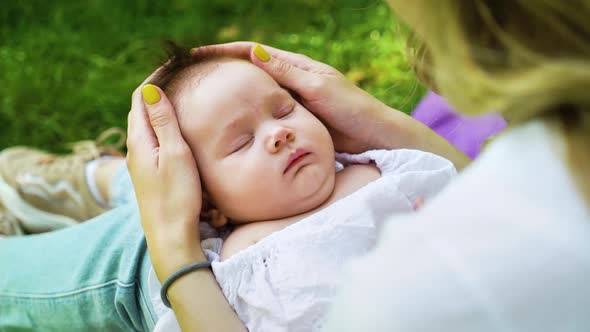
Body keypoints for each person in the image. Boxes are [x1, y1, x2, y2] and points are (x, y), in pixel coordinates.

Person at [131, 1, 589, 331]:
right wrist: (379, 120)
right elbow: (481, 192)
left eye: (285, 110)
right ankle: (99, 178)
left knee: (121, 259)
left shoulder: (383, 176)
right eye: (242, 141)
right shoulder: (237, 261)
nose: (279, 132)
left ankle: (97, 181)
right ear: (208, 206)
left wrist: (172, 251)